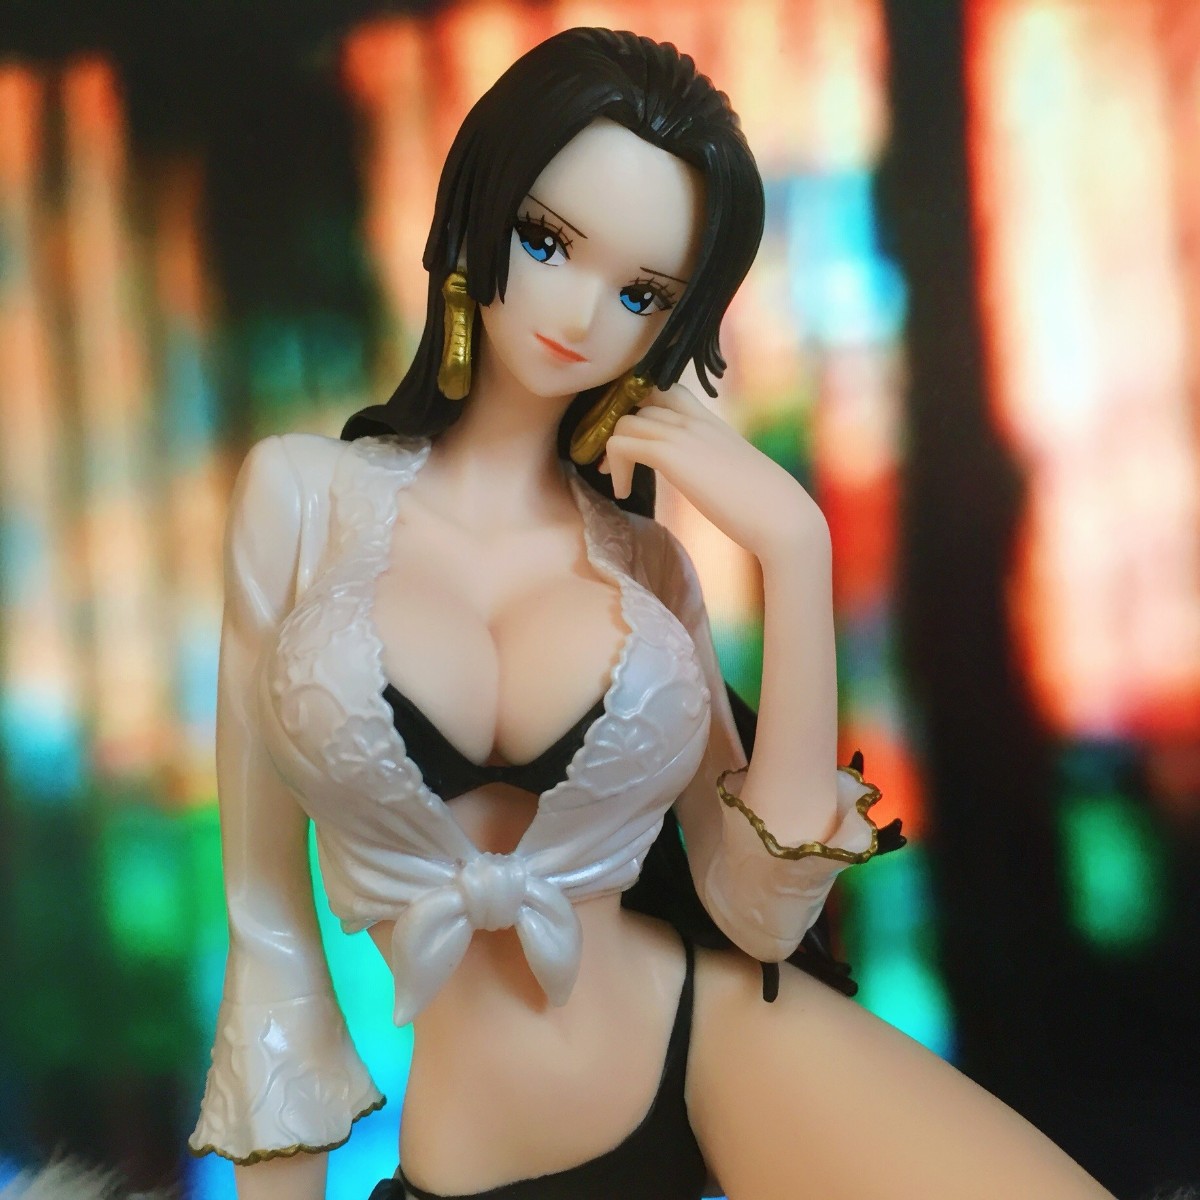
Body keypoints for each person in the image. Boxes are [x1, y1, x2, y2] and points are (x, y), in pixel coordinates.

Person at [189, 27, 1116, 1200]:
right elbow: (269, 928)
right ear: (477, 212)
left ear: (673, 326)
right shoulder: (301, 499)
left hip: (711, 1044)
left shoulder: (647, 566)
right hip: (471, 1150)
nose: (579, 313)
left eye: (639, 293)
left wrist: (797, 551)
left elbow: (758, 913)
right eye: (546, 241)